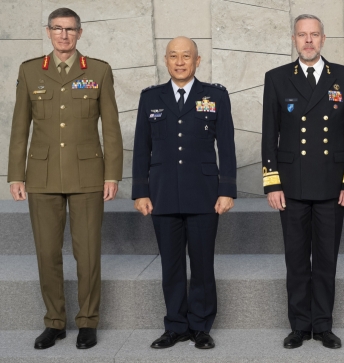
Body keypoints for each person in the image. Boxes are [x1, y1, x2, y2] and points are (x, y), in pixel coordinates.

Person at [7, 7, 123, 350]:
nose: (63, 35)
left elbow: (111, 128)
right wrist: (16, 174)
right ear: (48, 32)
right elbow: (19, 127)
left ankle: (87, 322)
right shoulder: (30, 72)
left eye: (70, 29)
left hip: (88, 174)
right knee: (46, 252)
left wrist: (112, 173)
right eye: (57, 29)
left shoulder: (98, 71)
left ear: (80, 33)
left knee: (87, 253)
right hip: (41, 175)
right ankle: (54, 322)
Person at [261, 14, 344, 350]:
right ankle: (298, 326)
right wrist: (272, 183)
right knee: (295, 259)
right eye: (302, 35)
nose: (308, 41)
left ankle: (323, 325)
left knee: (325, 259)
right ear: (294, 39)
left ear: (323, 38)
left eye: (314, 35)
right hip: (290, 185)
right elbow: (269, 135)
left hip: (333, 185)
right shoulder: (276, 78)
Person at [131, 36, 237, 350]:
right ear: (166, 60)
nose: (180, 62)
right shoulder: (151, 97)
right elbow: (141, 148)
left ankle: (201, 327)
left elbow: (227, 145)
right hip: (162, 194)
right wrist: (140, 191)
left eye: (186, 56)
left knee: (202, 264)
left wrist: (227, 189)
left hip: (204, 194)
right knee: (171, 265)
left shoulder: (214, 95)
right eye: (174, 56)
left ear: (197, 60)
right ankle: (175, 326)